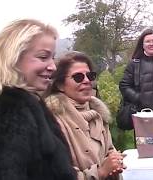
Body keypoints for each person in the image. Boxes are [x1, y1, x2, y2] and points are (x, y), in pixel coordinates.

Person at [0, 19, 76, 180]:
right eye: (43, 57)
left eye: (53, 57)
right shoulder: (6, 112)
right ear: (13, 58)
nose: (53, 66)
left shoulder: (22, 104)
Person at [45, 51, 125, 180]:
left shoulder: (99, 115)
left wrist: (115, 161)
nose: (87, 81)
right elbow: (57, 174)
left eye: (90, 75)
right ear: (60, 85)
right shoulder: (53, 121)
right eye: (78, 77)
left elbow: (109, 149)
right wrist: (101, 172)